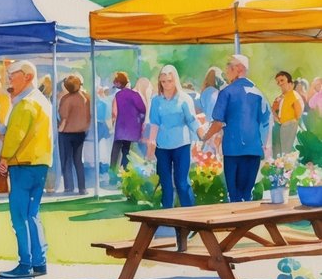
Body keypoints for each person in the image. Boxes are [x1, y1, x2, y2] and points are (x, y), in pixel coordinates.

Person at [0, 61, 53, 279]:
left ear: (27, 76)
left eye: (13, 75)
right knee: (32, 214)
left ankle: (26, 263)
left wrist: (4, 160)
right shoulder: (41, 101)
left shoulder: (25, 104)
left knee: (20, 217)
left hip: (23, 165)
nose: (10, 80)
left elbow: (14, 137)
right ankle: (39, 262)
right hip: (40, 164)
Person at [203, 55, 270, 202]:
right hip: (253, 150)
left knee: (234, 196)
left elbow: (218, 122)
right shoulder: (259, 94)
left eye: (228, 66)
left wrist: (205, 137)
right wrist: (262, 144)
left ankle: (235, 224)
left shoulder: (227, 92)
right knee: (247, 194)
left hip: (233, 150)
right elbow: (266, 121)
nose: (226, 70)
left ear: (239, 68)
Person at [146, 64, 199, 209]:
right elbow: (155, 122)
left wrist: (201, 134)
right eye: (163, 82)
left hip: (182, 144)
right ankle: (167, 215)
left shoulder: (184, 99)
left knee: (182, 182)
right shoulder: (156, 101)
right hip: (162, 146)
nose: (167, 85)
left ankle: (190, 215)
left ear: (175, 80)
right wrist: (151, 142)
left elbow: (191, 120)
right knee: (166, 183)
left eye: (169, 81)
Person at [57, 75, 91, 196]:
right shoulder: (86, 97)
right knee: (78, 160)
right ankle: (82, 187)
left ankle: (69, 187)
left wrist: (59, 130)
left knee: (66, 160)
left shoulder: (66, 99)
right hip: (81, 132)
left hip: (66, 132)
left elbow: (64, 118)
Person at [110, 72, 146, 173]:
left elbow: (114, 112)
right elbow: (142, 109)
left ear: (119, 83)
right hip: (131, 128)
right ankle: (124, 172)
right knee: (126, 151)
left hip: (120, 127)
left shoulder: (118, 95)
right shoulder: (135, 95)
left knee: (115, 151)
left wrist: (112, 123)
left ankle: (112, 174)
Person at [273, 71, 303, 158]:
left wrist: (292, 121)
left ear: (290, 83)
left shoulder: (293, 95)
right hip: (282, 125)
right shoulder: (282, 97)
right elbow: (273, 110)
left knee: (287, 149)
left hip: (290, 124)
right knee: (281, 149)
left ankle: (288, 168)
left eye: (282, 80)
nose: (280, 84)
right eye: (278, 82)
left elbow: (298, 112)